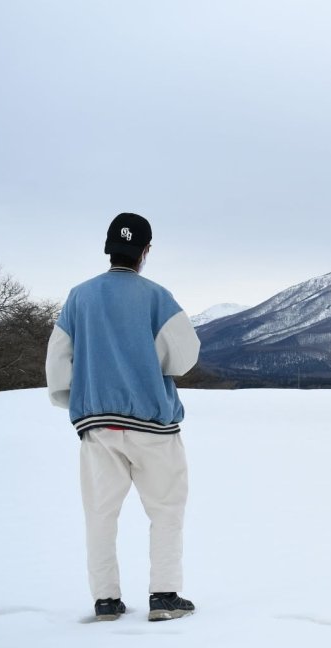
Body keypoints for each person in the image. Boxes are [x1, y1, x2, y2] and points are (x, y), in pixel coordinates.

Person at [45, 212, 201, 622]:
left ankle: (106, 601)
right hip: (153, 424)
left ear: (109, 247)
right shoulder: (157, 297)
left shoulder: (79, 297)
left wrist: (77, 400)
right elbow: (184, 358)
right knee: (165, 509)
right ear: (145, 251)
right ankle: (165, 597)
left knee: (100, 513)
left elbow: (58, 362)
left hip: (97, 425)